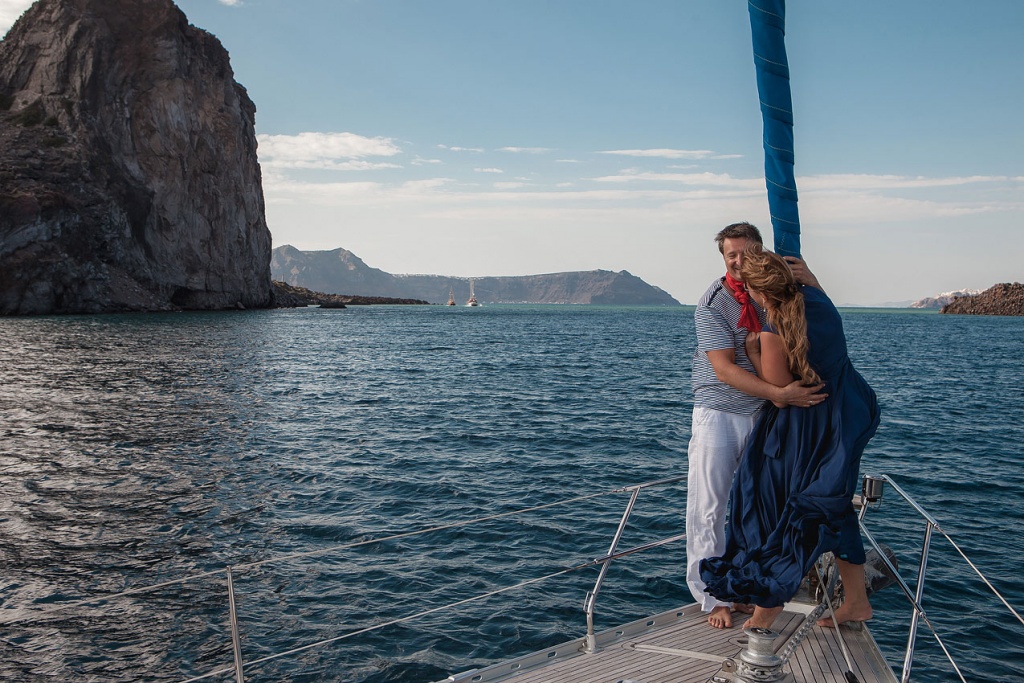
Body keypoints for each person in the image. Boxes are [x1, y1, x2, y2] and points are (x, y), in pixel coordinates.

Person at [699, 244, 880, 630]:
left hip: (804, 427)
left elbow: (781, 394)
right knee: (833, 505)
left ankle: (766, 612)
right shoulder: (819, 300)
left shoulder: (773, 332)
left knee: (782, 513)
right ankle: (856, 601)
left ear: (758, 292)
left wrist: (752, 351)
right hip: (847, 416)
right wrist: (810, 276)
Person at [687, 222, 827, 629]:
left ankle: (749, 585)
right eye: (731, 254)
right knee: (709, 507)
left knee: (758, 507)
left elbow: (816, 318)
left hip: (765, 415)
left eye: (746, 252)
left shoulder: (771, 292)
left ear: (760, 252)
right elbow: (724, 369)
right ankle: (712, 596)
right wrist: (780, 393)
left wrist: (812, 279)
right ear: (723, 258)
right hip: (720, 413)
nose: (739, 260)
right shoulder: (713, 304)